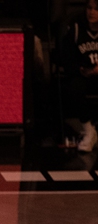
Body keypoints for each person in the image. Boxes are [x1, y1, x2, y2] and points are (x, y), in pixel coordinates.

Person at [62, 0, 98, 152]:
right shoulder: (76, 29)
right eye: (89, 8)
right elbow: (65, 56)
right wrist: (80, 69)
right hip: (83, 75)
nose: (91, 12)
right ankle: (89, 131)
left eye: (96, 9)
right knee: (74, 87)